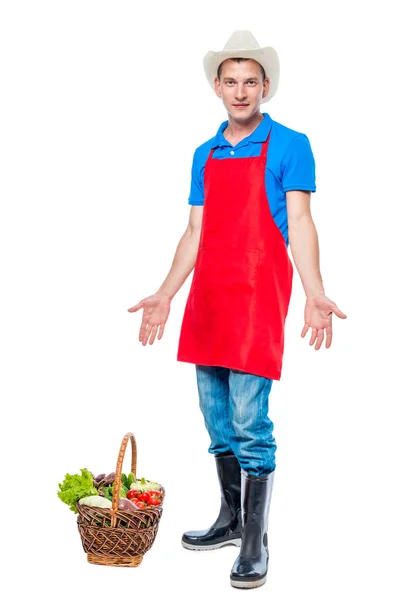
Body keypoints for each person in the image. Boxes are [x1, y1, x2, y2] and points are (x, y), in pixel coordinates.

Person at [128, 30, 347, 590]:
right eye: (231, 81)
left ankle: (255, 537)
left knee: (251, 420)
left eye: (251, 81)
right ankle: (229, 518)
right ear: (218, 87)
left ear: (265, 87)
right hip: (210, 299)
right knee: (215, 415)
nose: (241, 91)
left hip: (256, 297)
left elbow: (299, 222)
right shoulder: (206, 153)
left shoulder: (291, 144)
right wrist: (166, 292)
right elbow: (195, 231)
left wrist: (314, 289)